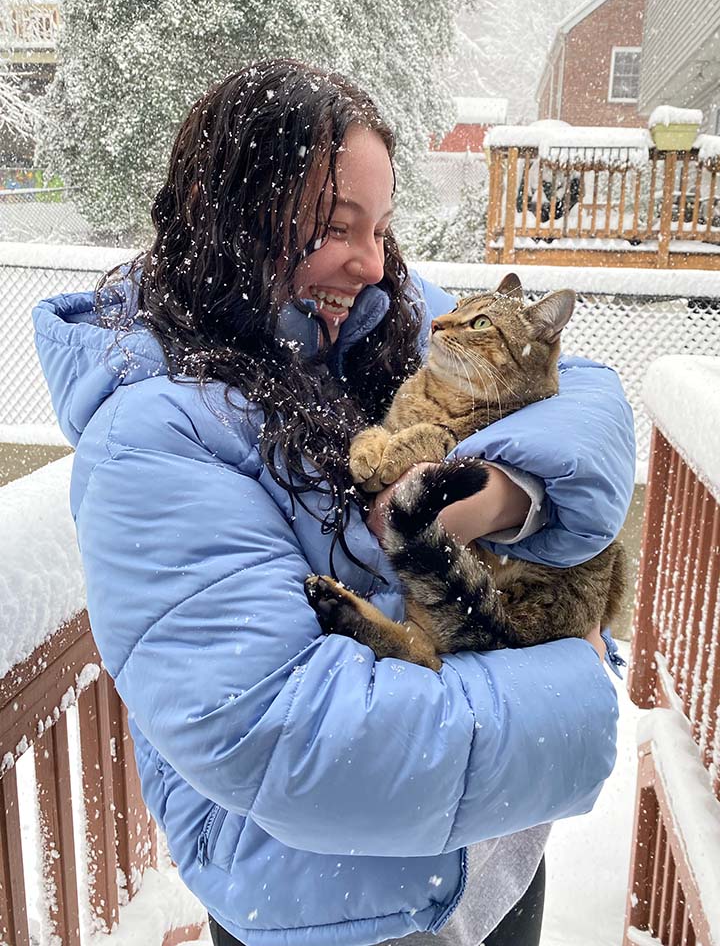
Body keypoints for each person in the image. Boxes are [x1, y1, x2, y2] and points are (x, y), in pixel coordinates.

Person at [34, 59, 634, 946]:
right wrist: (571, 689)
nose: (374, 261)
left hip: (493, 860)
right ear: (231, 219)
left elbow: (585, 391)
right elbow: (294, 740)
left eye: (384, 228)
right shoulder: (151, 438)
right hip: (332, 907)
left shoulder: (374, 322)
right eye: (332, 226)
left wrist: (513, 491)